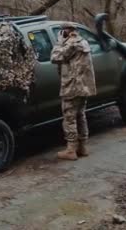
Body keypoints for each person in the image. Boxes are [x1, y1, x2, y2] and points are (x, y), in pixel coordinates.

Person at [51, 23, 96, 160]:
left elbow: (54, 57)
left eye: (62, 31)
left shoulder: (70, 45)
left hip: (72, 86)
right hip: (84, 86)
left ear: (66, 31)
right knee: (80, 115)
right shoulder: (83, 42)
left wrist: (59, 42)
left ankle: (71, 150)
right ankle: (82, 147)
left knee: (69, 117)